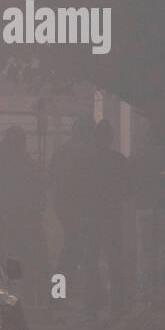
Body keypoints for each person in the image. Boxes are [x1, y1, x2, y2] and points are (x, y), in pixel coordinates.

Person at [0, 126, 48, 303]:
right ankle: (22, 295)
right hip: (13, 219)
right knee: (21, 259)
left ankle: (19, 295)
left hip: (13, 219)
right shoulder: (16, 164)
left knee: (15, 258)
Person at [86, 119, 132, 314]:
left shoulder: (86, 159)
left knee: (90, 261)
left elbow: (77, 189)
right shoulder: (118, 160)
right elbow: (129, 189)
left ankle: (94, 304)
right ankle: (117, 304)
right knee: (114, 261)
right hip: (111, 216)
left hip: (91, 216)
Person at [49, 117, 95, 303]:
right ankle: (58, 293)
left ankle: (59, 293)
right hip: (76, 206)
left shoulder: (62, 150)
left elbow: (52, 177)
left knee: (74, 247)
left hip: (65, 205)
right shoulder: (84, 152)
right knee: (75, 248)